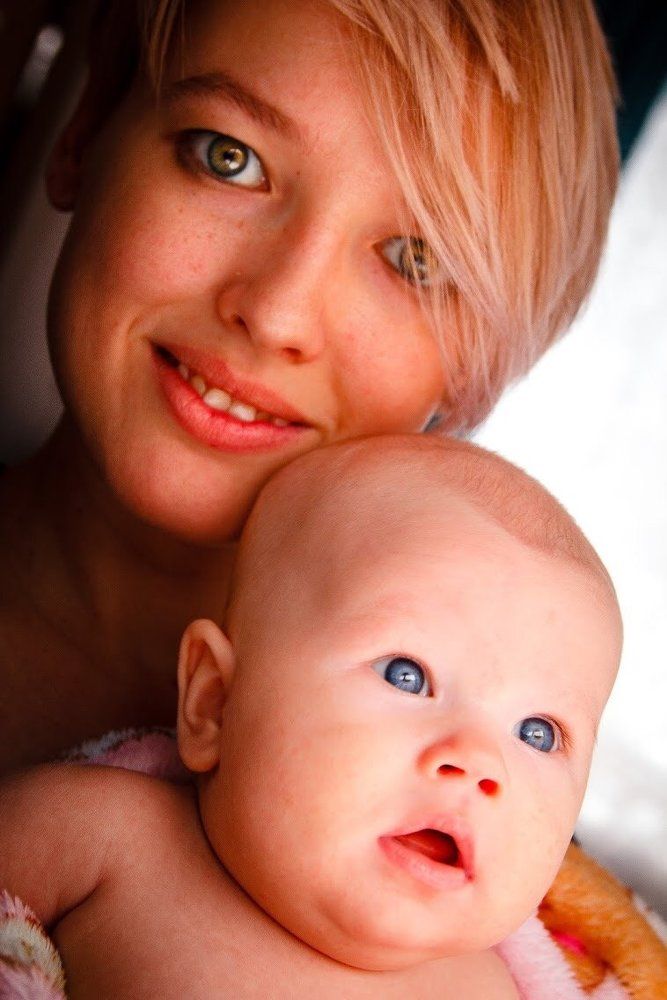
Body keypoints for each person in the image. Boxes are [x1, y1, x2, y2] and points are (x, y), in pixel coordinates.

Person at [0, 0, 619, 773]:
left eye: (415, 260)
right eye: (228, 157)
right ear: (88, 129)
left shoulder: (470, 827)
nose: (276, 314)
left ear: (475, 365)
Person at [0, 436, 623, 998]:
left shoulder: (503, 986)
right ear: (214, 702)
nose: (479, 761)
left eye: (538, 733)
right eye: (405, 674)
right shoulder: (103, 838)